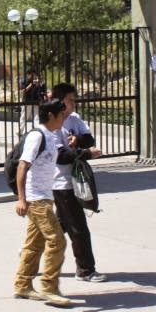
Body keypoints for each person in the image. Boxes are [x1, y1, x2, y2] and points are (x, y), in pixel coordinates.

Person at [13, 98, 90, 307]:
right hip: (36, 199)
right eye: (61, 115)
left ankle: (22, 285)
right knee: (57, 241)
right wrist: (22, 199)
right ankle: (49, 287)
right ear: (50, 116)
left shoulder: (53, 134)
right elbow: (22, 166)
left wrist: (76, 145)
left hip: (46, 196)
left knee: (34, 244)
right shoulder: (37, 136)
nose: (64, 119)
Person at [50, 82, 106, 282]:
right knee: (78, 227)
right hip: (61, 183)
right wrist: (87, 153)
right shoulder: (51, 124)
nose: (74, 103)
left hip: (74, 179)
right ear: (59, 101)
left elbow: (89, 139)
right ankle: (85, 270)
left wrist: (79, 140)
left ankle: (31, 251)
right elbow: (60, 156)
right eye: (70, 100)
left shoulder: (74, 119)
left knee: (59, 226)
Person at [18, 68, 46, 135]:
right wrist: (31, 84)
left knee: (36, 117)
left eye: (34, 75)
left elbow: (42, 90)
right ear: (28, 74)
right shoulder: (24, 81)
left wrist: (38, 84)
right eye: (32, 75)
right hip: (27, 101)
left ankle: (37, 131)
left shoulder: (38, 81)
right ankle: (20, 131)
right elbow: (22, 91)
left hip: (36, 101)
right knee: (24, 117)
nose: (33, 76)